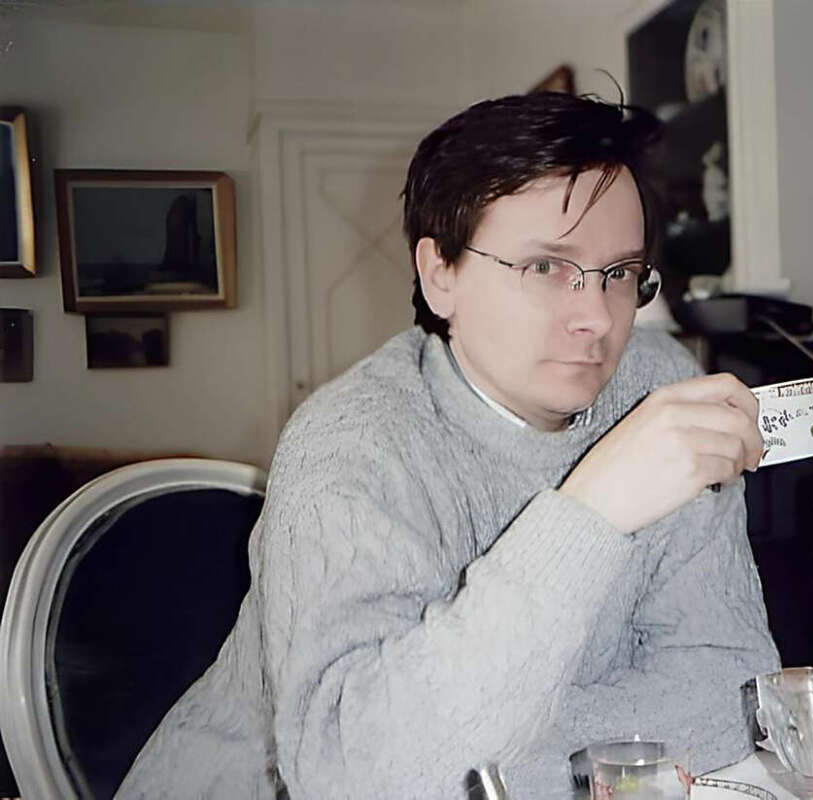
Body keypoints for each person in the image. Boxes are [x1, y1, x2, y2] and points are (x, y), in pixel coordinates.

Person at [116, 91, 779, 799]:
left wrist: (481, 748)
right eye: (546, 267)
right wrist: (590, 515)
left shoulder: (659, 389)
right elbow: (361, 780)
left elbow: (735, 693)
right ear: (440, 275)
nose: (596, 316)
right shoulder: (349, 445)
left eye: (619, 273)